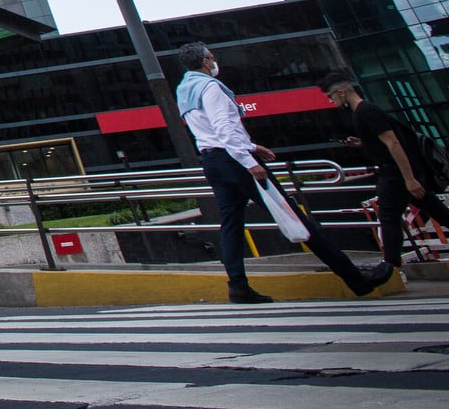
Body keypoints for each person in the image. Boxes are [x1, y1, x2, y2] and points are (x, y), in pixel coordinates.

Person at [177, 43, 392, 303]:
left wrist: (252, 146)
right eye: (211, 57)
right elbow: (223, 128)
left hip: (212, 160)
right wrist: (248, 159)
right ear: (204, 62)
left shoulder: (185, 89)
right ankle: (356, 280)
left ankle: (237, 285)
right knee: (294, 215)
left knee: (231, 225)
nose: (214, 60)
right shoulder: (210, 88)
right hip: (235, 160)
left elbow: (207, 130)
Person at [322, 74, 449, 269]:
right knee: (435, 210)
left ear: (341, 92)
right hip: (398, 173)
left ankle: (390, 265)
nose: (330, 101)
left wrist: (409, 179)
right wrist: (361, 143)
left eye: (330, 96)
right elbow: (384, 142)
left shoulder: (366, 111)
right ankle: (390, 264)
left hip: (395, 174)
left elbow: (394, 143)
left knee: (388, 215)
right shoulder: (362, 112)